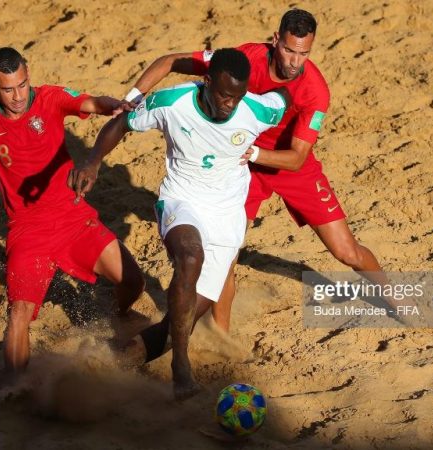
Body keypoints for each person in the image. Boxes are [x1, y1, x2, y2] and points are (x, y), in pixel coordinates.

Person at [126, 8, 404, 332]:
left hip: (284, 163)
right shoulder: (246, 58)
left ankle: (396, 300)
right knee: (226, 255)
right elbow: (172, 61)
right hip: (241, 167)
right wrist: (132, 97)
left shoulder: (315, 90)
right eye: (288, 50)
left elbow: (297, 158)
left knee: (346, 251)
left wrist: (254, 151)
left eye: (303, 53)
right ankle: (222, 336)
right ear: (276, 41)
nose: (294, 62)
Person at [69, 48, 287, 399]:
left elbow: (287, 94)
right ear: (206, 81)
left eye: (238, 96)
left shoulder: (258, 109)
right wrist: (93, 161)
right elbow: (122, 122)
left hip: (227, 219)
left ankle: (110, 364)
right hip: (182, 199)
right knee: (189, 257)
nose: (230, 105)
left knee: (176, 326)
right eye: (224, 95)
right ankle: (180, 369)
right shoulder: (172, 102)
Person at [0, 47, 145, 377]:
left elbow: (93, 103)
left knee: (134, 282)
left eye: (22, 84)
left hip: (73, 218)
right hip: (28, 230)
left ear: (28, 76)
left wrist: (117, 106)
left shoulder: (51, 98)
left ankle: (114, 312)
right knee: (18, 315)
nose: (17, 96)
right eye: (8, 89)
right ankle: (15, 389)